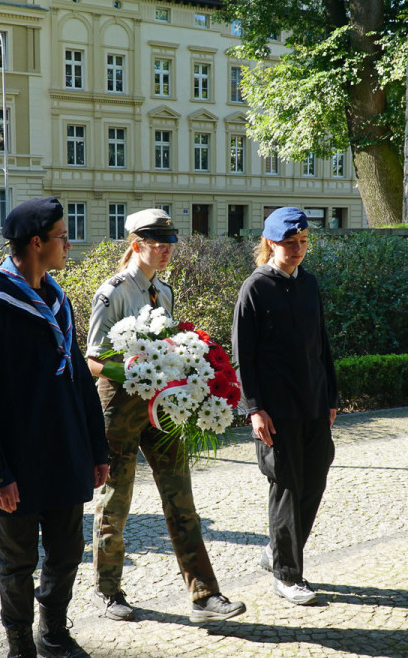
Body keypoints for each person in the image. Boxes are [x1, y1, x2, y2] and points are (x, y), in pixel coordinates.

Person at [0, 197, 110, 658]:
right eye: (63, 236)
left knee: (66, 554)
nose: (69, 243)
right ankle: (20, 643)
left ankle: (53, 631)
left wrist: (97, 449)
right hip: (16, 462)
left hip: (63, 453)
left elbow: (79, 378)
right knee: (17, 563)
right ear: (37, 243)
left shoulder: (57, 301)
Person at [86, 209, 247, 624]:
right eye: (157, 243)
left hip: (162, 405)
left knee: (181, 498)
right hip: (119, 403)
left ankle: (205, 596)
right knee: (114, 501)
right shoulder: (114, 291)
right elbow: (90, 359)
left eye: (169, 242)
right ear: (135, 244)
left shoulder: (165, 292)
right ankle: (108, 591)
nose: (165, 250)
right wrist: (129, 370)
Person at [231, 207, 339, 606]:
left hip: (313, 403)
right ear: (271, 243)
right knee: (287, 486)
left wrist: (331, 397)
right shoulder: (255, 288)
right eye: (290, 243)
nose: (298, 250)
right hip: (276, 410)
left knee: (314, 480)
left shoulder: (309, 284)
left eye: (303, 242)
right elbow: (243, 354)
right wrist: (254, 407)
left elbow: (322, 346)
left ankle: (278, 552)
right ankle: (288, 576)